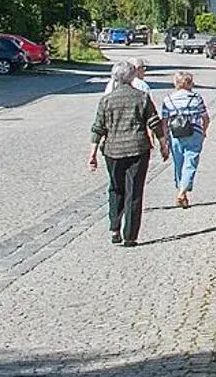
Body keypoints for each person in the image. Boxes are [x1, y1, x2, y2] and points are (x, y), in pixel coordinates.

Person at [90, 61, 168, 246]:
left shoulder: (106, 100)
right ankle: (130, 235)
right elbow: (154, 122)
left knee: (116, 187)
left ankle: (114, 228)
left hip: (113, 151)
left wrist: (92, 153)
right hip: (138, 149)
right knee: (134, 191)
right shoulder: (141, 97)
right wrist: (163, 143)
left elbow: (98, 128)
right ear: (132, 76)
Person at [161, 71, 209, 208]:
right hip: (194, 133)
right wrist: (204, 131)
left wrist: (164, 140)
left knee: (178, 163)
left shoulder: (168, 99)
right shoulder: (196, 98)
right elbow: (205, 117)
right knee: (191, 162)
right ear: (189, 83)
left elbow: (164, 121)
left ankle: (181, 191)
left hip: (175, 135)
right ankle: (182, 192)